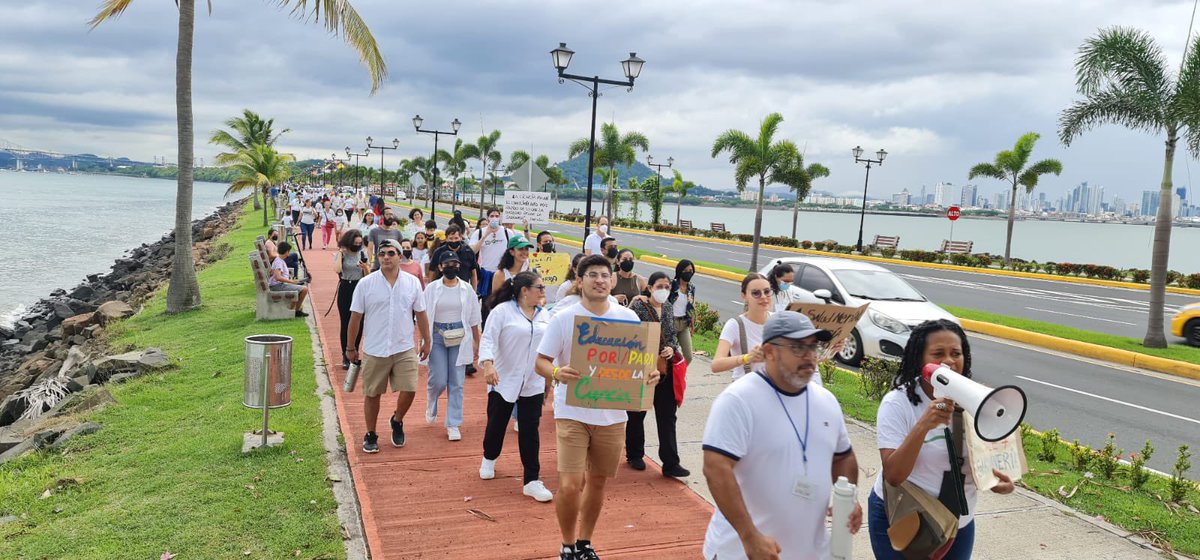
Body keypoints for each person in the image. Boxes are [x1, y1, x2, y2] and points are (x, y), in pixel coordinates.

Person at [702, 311, 860, 560]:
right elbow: (715, 468)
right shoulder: (738, 400)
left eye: (813, 346)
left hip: (812, 552)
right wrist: (749, 536)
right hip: (746, 552)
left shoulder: (825, 401)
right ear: (770, 351)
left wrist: (848, 497)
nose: (809, 355)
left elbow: (843, 457)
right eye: (798, 347)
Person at [535, 254, 663, 560]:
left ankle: (585, 542)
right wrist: (555, 373)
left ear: (614, 279)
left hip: (612, 414)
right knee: (569, 484)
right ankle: (567, 544)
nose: (599, 280)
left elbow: (640, 365)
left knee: (598, 481)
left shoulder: (629, 319)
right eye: (592, 275)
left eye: (604, 275)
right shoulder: (565, 318)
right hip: (572, 412)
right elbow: (541, 361)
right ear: (580, 281)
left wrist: (651, 375)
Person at [867, 319, 1013, 560]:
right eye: (937, 354)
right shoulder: (898, 403)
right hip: (904, 516)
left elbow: (984, 460)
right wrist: (924, 424)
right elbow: (893, 475)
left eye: (956, 353)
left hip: (957, 522)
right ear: (920, 361)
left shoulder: (978, 401)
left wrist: (998, 481)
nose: (948, 361)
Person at [345, 239, 432, 453]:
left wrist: (426, 340)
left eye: (391, 253)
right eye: (382, 253)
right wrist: (350, 347)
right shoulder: (366, 284)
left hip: (404, 347)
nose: (385, 257)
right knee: (372, 394)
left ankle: (397, 420)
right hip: (375, 349)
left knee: (410, 388)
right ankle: (371, 433)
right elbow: (355, 317)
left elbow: (420, 313)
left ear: (400, 256)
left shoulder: (412, 283)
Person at [478, 271, 554, 503]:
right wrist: (488, 365)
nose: (543, 292)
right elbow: (488, 338)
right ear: (524, 290)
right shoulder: (502, 312)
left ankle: (532, 479)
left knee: (530, 428)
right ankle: (489, 458)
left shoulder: (545, 316)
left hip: (534, 380)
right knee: (497, 424)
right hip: (503, 379)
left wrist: (550, 379)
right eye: (540, 287)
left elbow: (551, 347)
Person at [626, 272, 689, 478]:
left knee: (667, 415)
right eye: (659, 286)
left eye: (667, 287)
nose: (664, 290)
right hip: (642, 366)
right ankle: (635, 454)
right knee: (637, 412)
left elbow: (671, 336)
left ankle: (671, 462)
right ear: (650, 287)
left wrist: (671, 348)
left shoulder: (669, 308)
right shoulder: (638, 307)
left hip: (664, 367)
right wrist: (633, 301)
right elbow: (625, 330)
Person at [422, 251, 482, 441]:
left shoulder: (467, 289)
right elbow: (422, 316)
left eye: (455, 264)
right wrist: (424, 340)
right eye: (447, 264)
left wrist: (477, 343)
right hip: (437, 337)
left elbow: (474, 318)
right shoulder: (431, 289)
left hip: (459, 337)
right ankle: (432, 400)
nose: (452, 267)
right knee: (438, 380)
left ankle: (453, 423)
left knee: (457, 382)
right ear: (440, 267)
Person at [712, 273, 773, 381]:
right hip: (746, 390)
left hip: (774, 389)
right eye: (756, 293)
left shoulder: (778, 320)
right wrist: (747, 358)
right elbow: (716, 365)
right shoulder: (735, 325)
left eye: (767, 291)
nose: (763, 296)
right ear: (744, 296)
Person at [334, 230, 371, 369]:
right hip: (345, 287)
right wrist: (340, 254)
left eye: (360, 243)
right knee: (345, 322)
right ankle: (345, 354)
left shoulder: (362, 253)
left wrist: (365, 267)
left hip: (359, 287)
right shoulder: (342, 253)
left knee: (359, 322)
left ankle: (354, 352)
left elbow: (368, 275)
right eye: (355, 243)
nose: (357, 245)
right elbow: (337, 270)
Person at [268, 241, 309, 318]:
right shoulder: (278, 262)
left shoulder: (279, 260)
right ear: (286, 252)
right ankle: (296, 311)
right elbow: (278, 277)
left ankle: (295, 309)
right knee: (304, 289)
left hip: (278, 285)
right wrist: (292, 281)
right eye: (289, 251)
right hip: (277, 286)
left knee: (302, 288)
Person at [669, 259, 697, 365]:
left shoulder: (691, 288)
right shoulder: (672, 285)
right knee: (671, 355)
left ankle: (679, 376)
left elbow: (691, 305)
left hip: (684, 324)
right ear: (680, 271)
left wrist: (692, 322)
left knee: (688, 356)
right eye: (686, 270)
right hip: (671, 323)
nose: (689, 273)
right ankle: (670, 378)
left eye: (691, 271)